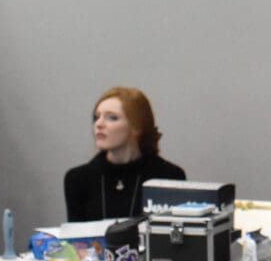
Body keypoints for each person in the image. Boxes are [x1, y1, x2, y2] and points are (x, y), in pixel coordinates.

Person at [63, 87, 185, 222]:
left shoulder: (169, 177)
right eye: (97, 117)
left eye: (112, 118)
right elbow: (75, 234)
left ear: (137, 127)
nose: (99, 124)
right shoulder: (78, 179)